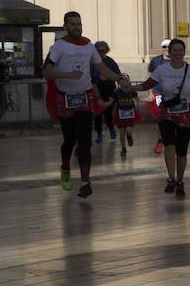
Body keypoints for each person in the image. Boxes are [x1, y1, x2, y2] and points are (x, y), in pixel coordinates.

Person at [43, 12, 129, 198]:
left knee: (85, 140)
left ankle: (85, 181)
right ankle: (65, 168)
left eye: (79, 24)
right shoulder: (58, 47)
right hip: (65, 98)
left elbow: (103, 69)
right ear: (66, 26)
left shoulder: (89, 46)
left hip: (85, 98)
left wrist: (119, 78)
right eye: (73, 24)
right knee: (69, 141)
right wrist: (66, 75)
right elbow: (47, 71)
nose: (77, 27)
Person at [133, 37, 190, 197]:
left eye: (181, 50)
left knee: (182, 150)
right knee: (169, 144)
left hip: (186, 114)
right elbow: (147, 85)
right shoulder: (161, 70)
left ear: (184, 52)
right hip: (166, 112)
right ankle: (171, 178)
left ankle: (180, 181)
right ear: (169, 52)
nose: (178, 53)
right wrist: (131, 88)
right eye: (175, 50)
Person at [93, 41, 122, 147]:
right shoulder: (92, 62)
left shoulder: (110, 62)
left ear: (106, 51)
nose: (101, 53)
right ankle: (99, 133)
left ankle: (111, 129)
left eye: (103, 51)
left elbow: (118, 74)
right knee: (97, 113)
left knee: (108, 112)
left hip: (109, 89)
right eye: (98, 51)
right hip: (97, 89)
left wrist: (108, 77)